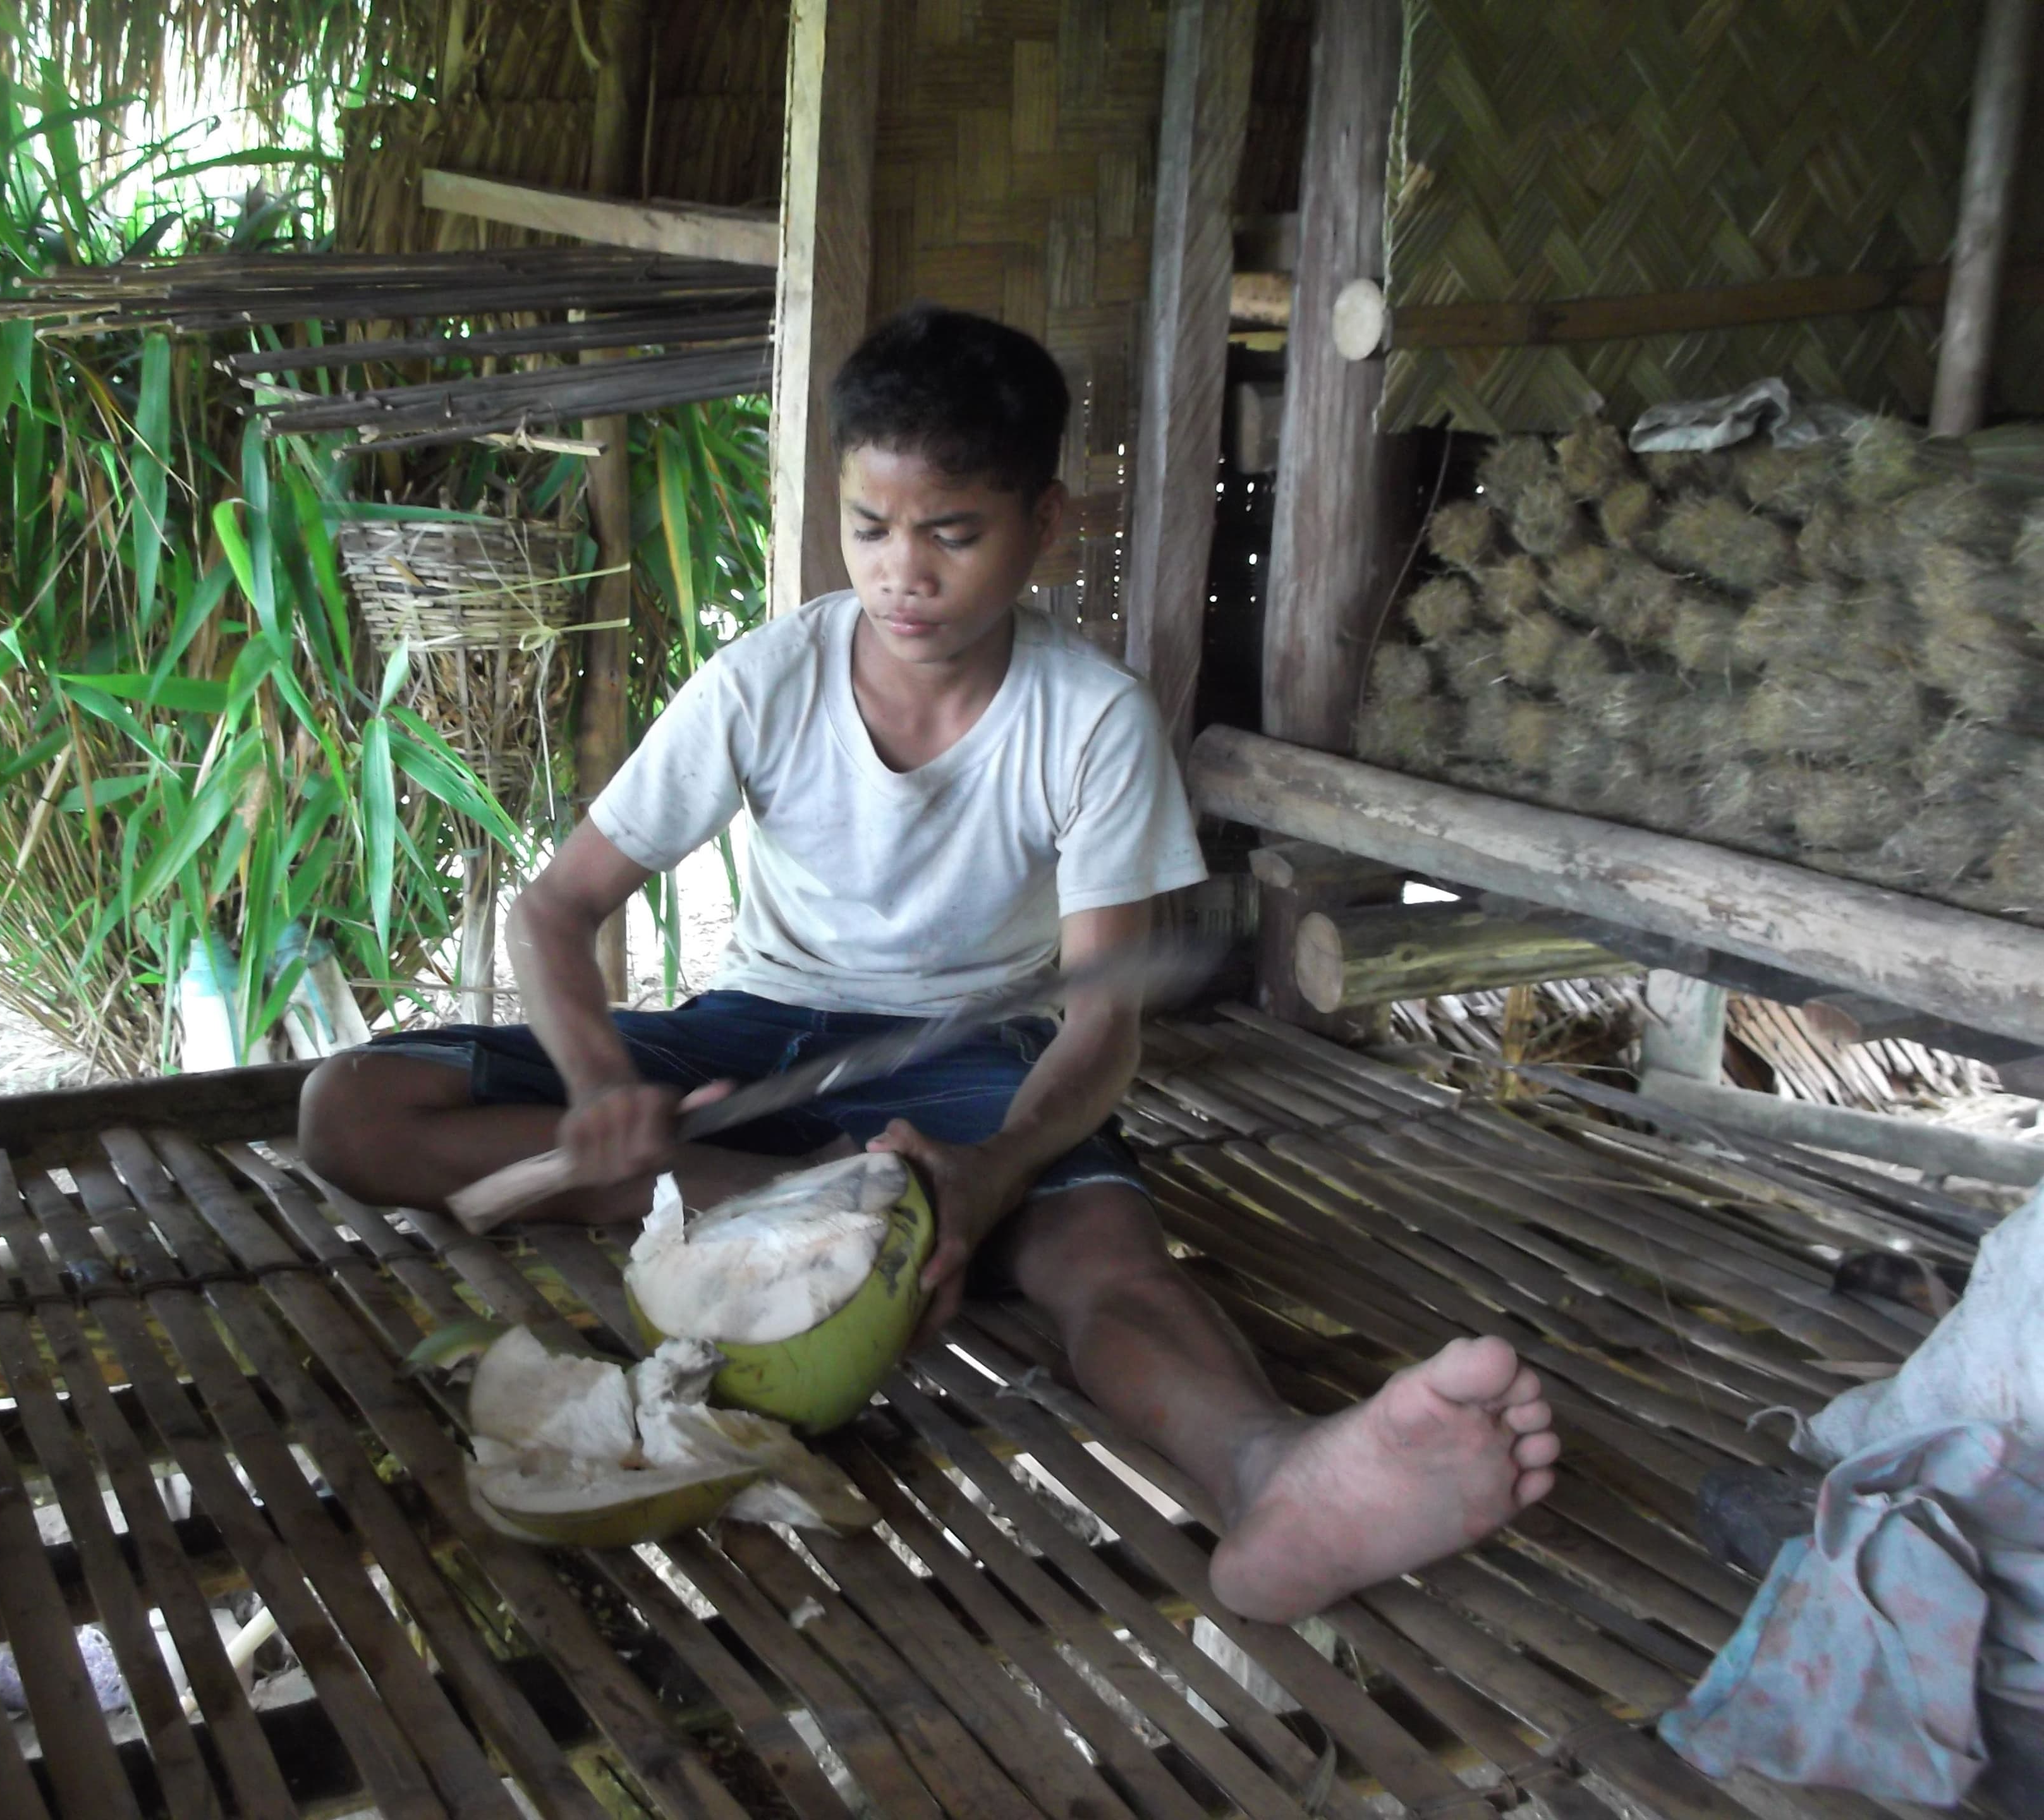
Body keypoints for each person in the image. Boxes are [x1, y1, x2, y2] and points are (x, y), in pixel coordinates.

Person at [300, 303, 1559, 1622]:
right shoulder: (763, 682)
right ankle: (823, 1210)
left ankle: (1270, 1470)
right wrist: (603, 1082)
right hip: (756, 1034)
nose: (903, 574)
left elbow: (1099, 1029)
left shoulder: (1091, 721)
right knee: (351, 1109)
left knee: (1108, 1253)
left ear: (1045, 528)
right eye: (869, 529)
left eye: (952, 534)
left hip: (966, 1060)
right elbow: (552, 915)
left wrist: (995, 1164)